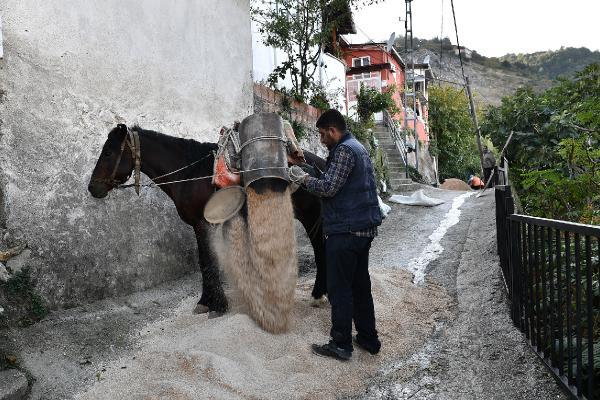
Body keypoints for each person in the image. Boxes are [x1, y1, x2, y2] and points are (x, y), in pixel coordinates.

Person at [288, 109, 382, 361]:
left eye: (321, 134)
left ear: (332, 130)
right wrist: (305, 166)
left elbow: (328, 188)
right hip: (362, 229)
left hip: (346, 230)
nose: (320, 139)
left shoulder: (343, 151)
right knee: (361, 286)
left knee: (339, 288)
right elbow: (334, 179)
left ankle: (340, 345)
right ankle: (368, 338)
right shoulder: (356, 147)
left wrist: (302, 178)